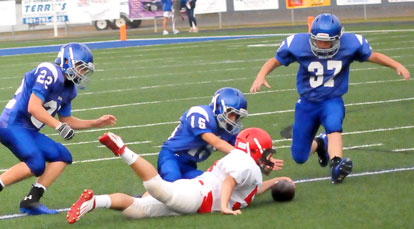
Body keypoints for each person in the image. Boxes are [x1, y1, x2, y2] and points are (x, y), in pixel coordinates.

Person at [250, 13, 410, 184]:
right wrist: (261, 75)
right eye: (319, 40)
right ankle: (320, 144)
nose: (323, 45)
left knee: (334, 125)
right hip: (307, 103)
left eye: (328, 41)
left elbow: (373, 56)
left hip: (331, 99)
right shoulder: (297, 44)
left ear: (338, 38)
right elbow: (275, 61)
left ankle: (336, 165)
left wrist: (396, 65)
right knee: (299, 156)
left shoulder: (350, 44)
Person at [66, 128, 293, 224]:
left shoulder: (246, 165)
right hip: (196, 196)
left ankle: (94, 201)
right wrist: (224, 207)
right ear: (253, 149)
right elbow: (230, 181)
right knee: (156, 188)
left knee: (137, 210)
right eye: (265, 154)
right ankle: (123, 149)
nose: (267, 159)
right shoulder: (246, 164)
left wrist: (275, 182)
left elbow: (247, 187)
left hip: (194, 190)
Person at [0, 42, 117, 215]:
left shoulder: (70, 89)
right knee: (37, 163)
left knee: (62, 156)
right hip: (12, 124)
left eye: (84, 70)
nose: (82, 73)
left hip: (29, 130)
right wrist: (58, 126)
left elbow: (66, 119)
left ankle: (31, 200)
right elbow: (34, 106)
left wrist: (95, 123)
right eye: (80, 67)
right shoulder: (49, 71)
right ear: (67, 60)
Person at [158, 87, 248, 182]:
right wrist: (243, 156)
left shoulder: (229, 131)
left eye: (237, 116)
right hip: (172, 156)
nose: (233, 120)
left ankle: (146, 195)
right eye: (231, 114)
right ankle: (145, 196)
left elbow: (243, 149)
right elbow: (216, 143)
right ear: (218, 106)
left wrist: (260, 160)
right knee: (171, 179)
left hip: (189, 165)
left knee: (206, 185)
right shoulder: (201, 114)